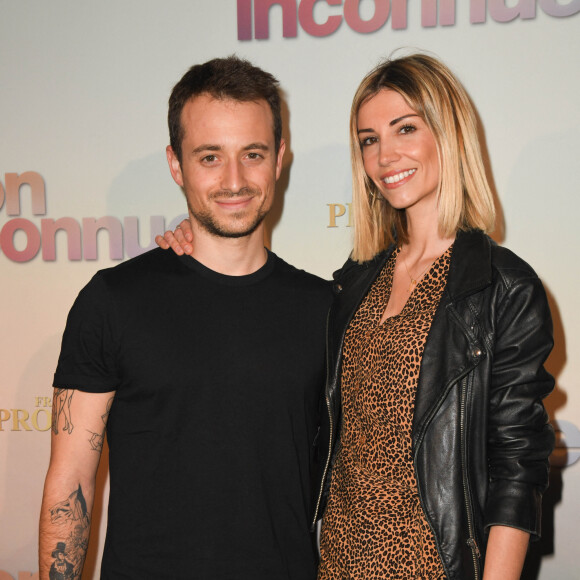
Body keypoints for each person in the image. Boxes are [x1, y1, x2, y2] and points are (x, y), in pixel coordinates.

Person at [160, 54, 555, 580]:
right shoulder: (356, 280)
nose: (385, 155)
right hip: (336, 563)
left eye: (405, 129)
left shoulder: (503, 287)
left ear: (449, 133)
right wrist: (191, 241)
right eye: (369, 139)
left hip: (432, 566)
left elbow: (517, 468)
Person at [39, 56, 331, 580]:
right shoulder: (112, 301)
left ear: (280, 157)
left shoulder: (326, 309)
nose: (234, 180)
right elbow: (71, 482)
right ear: (176, 165)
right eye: (210, 157)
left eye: (253, 154)